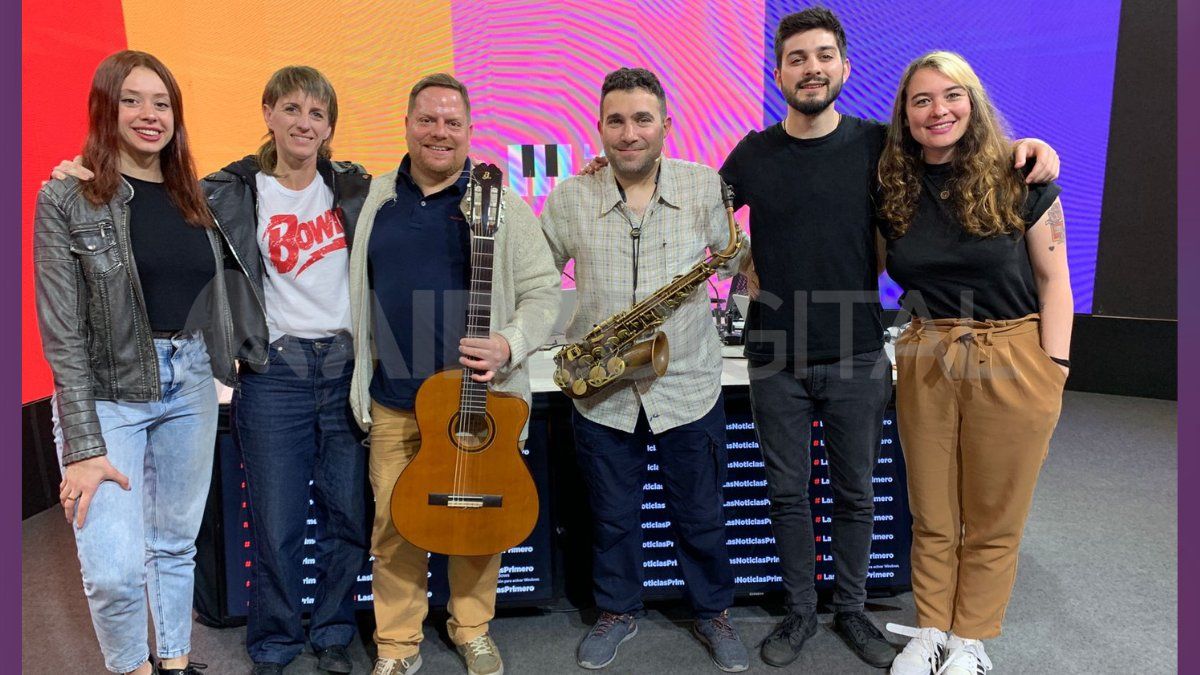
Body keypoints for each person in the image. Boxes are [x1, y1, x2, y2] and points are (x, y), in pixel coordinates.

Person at [717, 7, 1062, 670]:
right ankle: (799, 611)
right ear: (779, 71)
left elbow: (962, 157)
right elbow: (694, 208)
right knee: (787, 493)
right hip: (774, 356)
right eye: (796, 57)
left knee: (856, 492)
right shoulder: (753, 155)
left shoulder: (883, 147)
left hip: (856, 352)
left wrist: (1037, 149)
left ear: (845, 66)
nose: (811, 68)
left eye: (823, 55)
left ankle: (850, 609)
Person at [50, 66, 372, 675]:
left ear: (330, 128)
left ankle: (331, 632)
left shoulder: (356, 187)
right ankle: (275, 642)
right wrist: (73, 174)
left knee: (348, 515)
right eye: (293, 109)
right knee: (276, 522)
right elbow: (134, 207)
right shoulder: (222, 191)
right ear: (269, 114)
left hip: (346, 368)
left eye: (318, 114)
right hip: (274, 369)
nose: (305, 123)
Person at [35, 50, 242, 675]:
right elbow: (62, 332)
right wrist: (82, 442)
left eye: (162, 102)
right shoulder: (66, 198)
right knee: (113, 571)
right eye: (132, 100)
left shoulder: (196, 198)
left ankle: (176, 665)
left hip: (190, 380)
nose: (150, 115)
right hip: (103, 393)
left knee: (175, 546)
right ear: (106, 108)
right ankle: (132, 669)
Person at [347, 73, 560, 675]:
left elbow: (545, 293)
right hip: (396, 401)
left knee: (478, 521)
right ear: (408, 123)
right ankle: (396, 644)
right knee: (394, 529)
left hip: (478, 404)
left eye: (453, 122)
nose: (440, 132)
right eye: (428, 119)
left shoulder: (501, 203)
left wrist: (509, 343)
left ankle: (471, 628)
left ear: (469, 130)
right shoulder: (375, 201)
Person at [541, 67, 752, 673]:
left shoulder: (704, 185)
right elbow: (535, 275)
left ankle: (712, 611)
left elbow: (732, 257)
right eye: (616, 120)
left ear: (666, 125)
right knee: (611, 516)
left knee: (702, 513)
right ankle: (617, 610)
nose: (629, 132)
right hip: (602, 390)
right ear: (600, 127)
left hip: (685, 382)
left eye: (642, 119)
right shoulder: (569, 196)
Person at [879, 51, 1072, 675]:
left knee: (993, 512)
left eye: (951, 95)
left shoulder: (1023, 177)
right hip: (928, 352)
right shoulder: (895, 190)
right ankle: (932, 628)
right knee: (931, 509)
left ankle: (970, 640)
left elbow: (1055, 283)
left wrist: (1055, 369)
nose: (939, 111)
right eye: (922, 100)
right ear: (905, 116)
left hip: (1014, 355)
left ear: (974, 102)